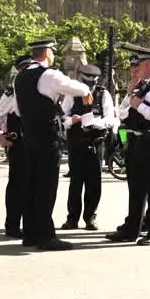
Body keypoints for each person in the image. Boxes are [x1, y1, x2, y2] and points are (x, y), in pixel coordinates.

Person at [14, 39, 91, 251]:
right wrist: (86, 90)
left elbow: (18, 110)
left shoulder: (20, 78)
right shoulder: (48, 74)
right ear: (47, 52)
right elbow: (74, 86)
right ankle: (46, 236)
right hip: (47, 137)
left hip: (29, 135)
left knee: (31, 186)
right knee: (47, 187)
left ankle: (30, 233)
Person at [105, 49, 150, 245]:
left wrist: (139, 106)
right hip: (138, 140)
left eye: (141, 65)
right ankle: (131, 229)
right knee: (136, 188)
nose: (137, 70)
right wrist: (130, 96)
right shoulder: (144, 85)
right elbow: (122, 113)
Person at [60, 64, 118, 232]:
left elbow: (110, 118)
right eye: (87, 83)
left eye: (92, 84)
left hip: (95, 142)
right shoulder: (72, 94)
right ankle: (72, 218)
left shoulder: (103, 94)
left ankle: (90, 217)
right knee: (76, 181)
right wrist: (73, 120)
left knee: (94, 182)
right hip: (76, 141)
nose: (90, 87)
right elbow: (63, 116)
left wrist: (95, 123)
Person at [0, 56, 34, 238]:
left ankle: (32, 224)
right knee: (17, 186)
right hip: (20, 144)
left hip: (38, 143)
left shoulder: (42, 88)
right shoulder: (12, 93)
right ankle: (13, 225)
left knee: (35, 186)